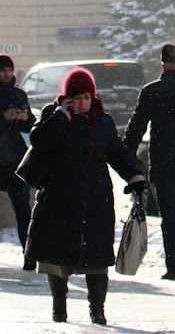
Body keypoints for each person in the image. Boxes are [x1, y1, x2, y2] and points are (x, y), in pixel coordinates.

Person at [23, 66, 145, 326]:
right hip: (58, 199)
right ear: (67, 97)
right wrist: (61, 116)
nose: (81, 103)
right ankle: (59, 309)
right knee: (56, 261)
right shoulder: (53, 115)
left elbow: (117, 152)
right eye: (76, 98)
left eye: (86, 98)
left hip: (95, 201)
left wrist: (135, 176)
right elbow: (39, 141)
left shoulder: (102, 121)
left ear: (93, 97)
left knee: (97, 260)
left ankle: (97, 310)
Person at [124, 41, 175, 280]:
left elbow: (136, 128)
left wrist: (127, 158)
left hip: (164, 161)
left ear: (162, 64)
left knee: (170, 213)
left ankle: (173, 267)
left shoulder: (151, 91)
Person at [0, 53, 35, 267]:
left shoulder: (18, 94)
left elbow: (30, 124)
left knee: (24, 209)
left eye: (9, 70)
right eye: (2, 70)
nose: (6, 74)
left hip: (14, 159)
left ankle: (29, 256)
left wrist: (24, 117)